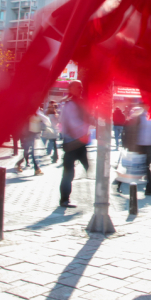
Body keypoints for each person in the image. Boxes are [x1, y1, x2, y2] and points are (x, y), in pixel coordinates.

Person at [59, 80, 93, 208]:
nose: (81, 89)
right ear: (71, 88)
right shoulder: (70, 104)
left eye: (81, 87)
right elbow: (72, 123)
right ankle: (64, 199)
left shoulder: (79, 102)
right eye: (78, 87)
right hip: (72, 143)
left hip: (79, 143)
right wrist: (84, 131)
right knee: (69, 173)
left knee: (85, 168)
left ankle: (66, 198)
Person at [16, 105, 50, 176]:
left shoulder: (38, 112)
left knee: (28, 151)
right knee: (32, 152)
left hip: (36, 134)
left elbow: (45, 120)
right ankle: (37, 169)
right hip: (29, 134)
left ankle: (19, 164)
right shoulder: (29, 113)